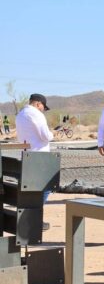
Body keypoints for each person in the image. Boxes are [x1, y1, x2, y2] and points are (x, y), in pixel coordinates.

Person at [15, 93, 53, 231]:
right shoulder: (37, 114)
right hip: (40, 157)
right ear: (38, 104)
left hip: (27, 155)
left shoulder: (20, 114)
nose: (43, 110)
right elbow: (45, 136)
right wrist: (53, 134)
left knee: (30, 189)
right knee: (46, 187)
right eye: (43, 107)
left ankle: (29, 219)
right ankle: (34, 218)